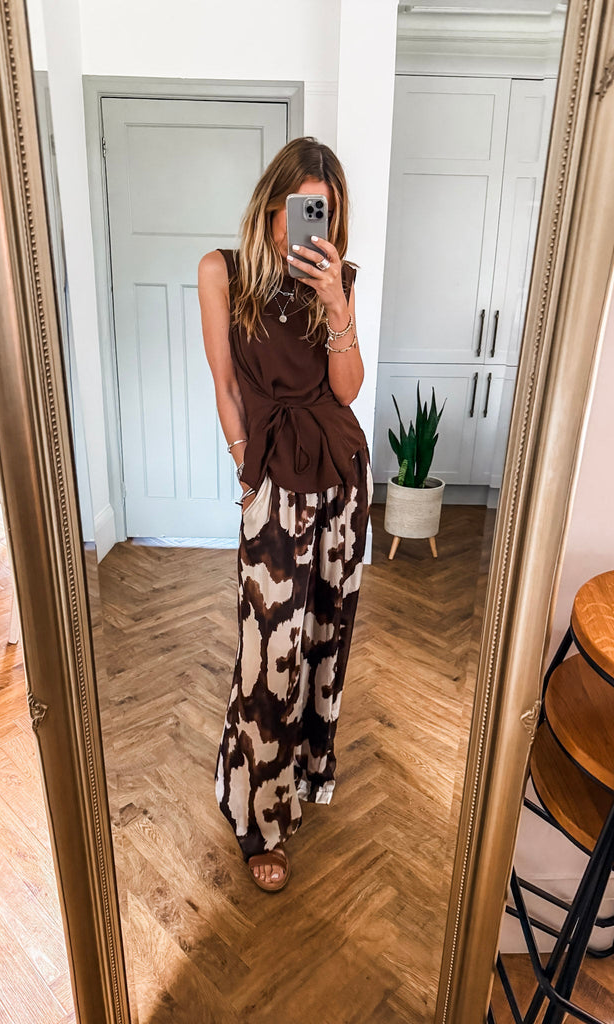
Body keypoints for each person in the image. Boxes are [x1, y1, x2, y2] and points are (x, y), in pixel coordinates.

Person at [197, 136, 373, 892]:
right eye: (297, 207)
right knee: (267, 654)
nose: (303, 225)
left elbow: (347, 388)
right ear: (271, 202)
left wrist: (335, 304)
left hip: (339, 477)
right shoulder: (222, 272)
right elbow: (226, 385)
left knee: (324, 640)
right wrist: (247, 475)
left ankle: (302, 772)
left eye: (321, 212)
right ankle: (257, 817)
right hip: (272, 481)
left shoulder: (339, 278)